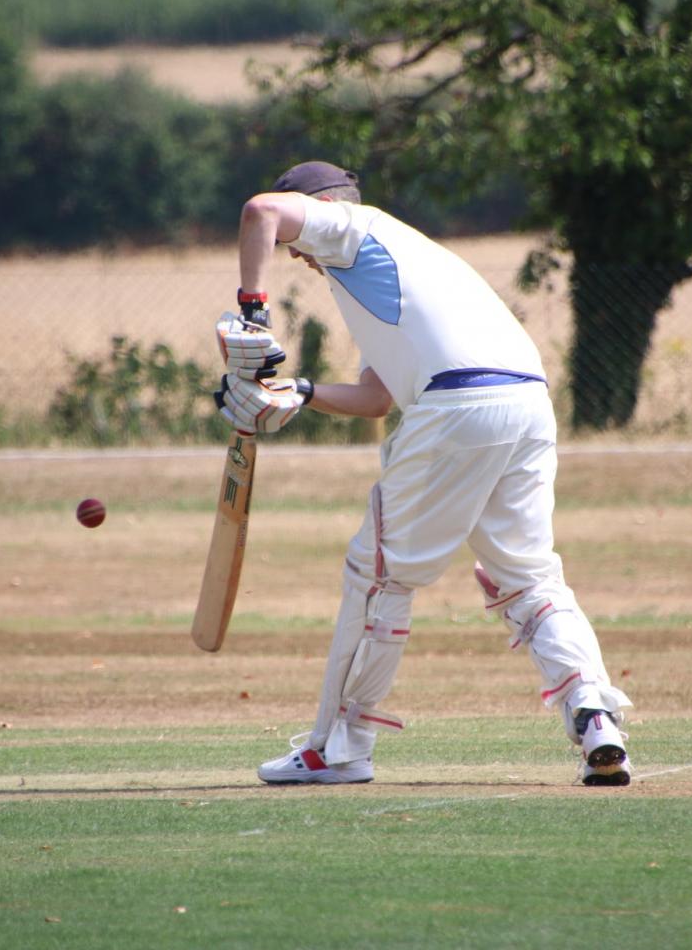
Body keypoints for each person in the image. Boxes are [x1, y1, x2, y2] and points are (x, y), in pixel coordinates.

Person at [213, 160, 633, 786]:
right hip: (525, 407)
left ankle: (341, 746)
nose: (292, 254)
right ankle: (594, 713)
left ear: (319, 206)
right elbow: (377, 398)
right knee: (526, 576)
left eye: (294, 242)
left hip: (458, 406)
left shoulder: (352, 226)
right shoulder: (404, 262)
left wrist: (252, 313)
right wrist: (297, 392)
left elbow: (259, 212)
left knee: (376, 575)